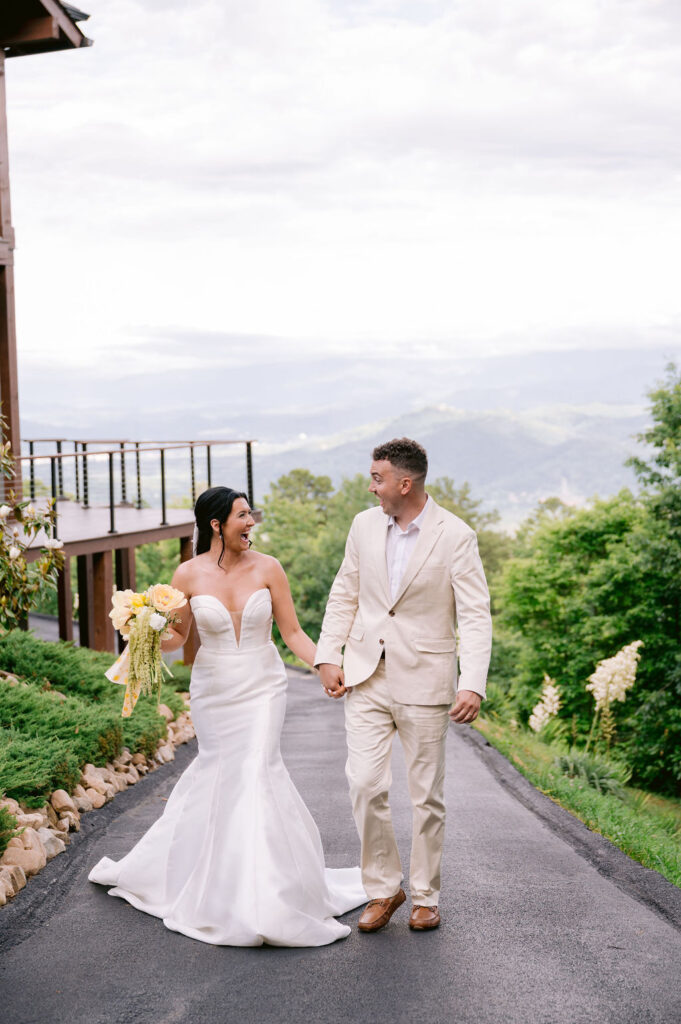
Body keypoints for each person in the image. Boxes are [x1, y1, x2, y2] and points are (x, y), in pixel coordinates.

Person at [89, 486, 366, 947]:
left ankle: (268, 892)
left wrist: (325, 665)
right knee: (220, 773)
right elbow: (179, 637)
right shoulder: (187, 574)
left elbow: (292, 631)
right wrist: (146, 631)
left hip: (263, 684)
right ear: (217, 524)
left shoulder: (269, 568)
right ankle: (215, 883)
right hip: (214, 689)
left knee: (258, 769)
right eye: (242, 516)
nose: (251, 523)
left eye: (251, 514)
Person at [316, 438, 492, 933]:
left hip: (427, 679)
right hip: (367, 673)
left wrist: (472, 682)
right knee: (365, 784)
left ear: (404, 483)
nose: (371, 487)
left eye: (377, 478)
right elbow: (344, 592)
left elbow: (475, 616)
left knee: (425, 796)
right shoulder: (362, 526)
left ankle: (426, 896)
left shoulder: (456, 536)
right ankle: (383, 889)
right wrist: (329, 655)